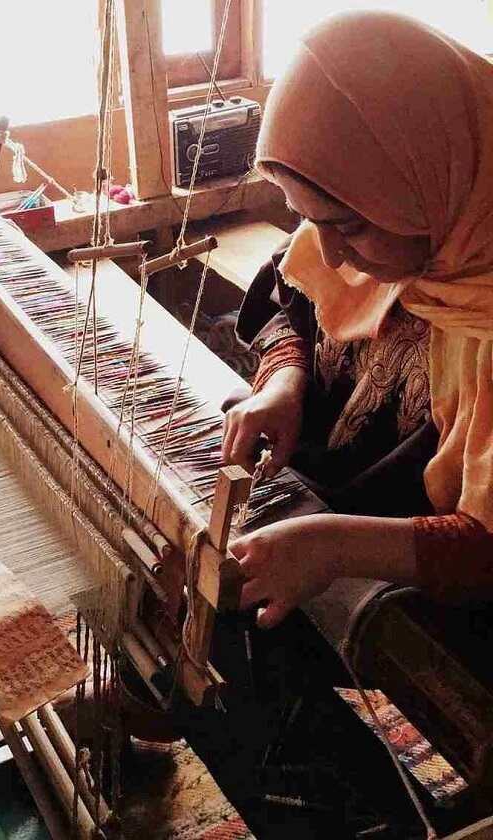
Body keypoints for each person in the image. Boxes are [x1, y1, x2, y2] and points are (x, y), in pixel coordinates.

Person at [221, 10, 493, 630]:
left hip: (437, 567)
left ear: (431, 174)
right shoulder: (404, 213)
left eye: (347, 227)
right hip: (336, 486)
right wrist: (284, 383)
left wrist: (334, 545)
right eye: (307, 218)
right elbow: (290, 297)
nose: (332, 253)